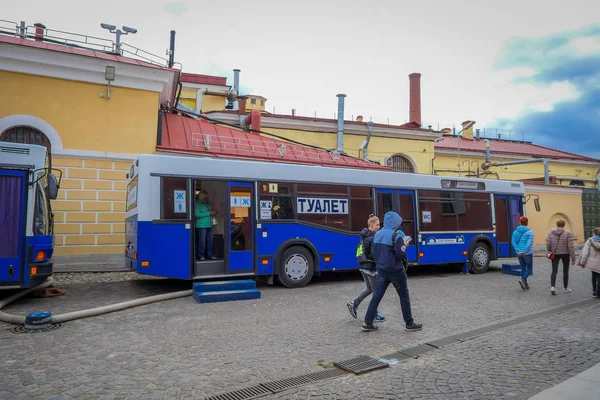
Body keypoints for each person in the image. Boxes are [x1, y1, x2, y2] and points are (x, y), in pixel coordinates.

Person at [362, 211, 422, 332]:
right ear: (395, 223)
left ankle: (368, 321)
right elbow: (401, 255)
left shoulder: (377, 235)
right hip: (396, 271)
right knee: (404, 295)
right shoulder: (396, 236)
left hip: (382, 270)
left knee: (377, 295)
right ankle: (409, 323)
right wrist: (404, 245)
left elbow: (375, 253)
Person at [347, 215, 385, 322]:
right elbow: (374, 255)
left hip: (363, 267)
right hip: (370, 268)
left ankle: (355, 304)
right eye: (377, 225)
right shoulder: (372, 238)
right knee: (376, 292)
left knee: (370, 289)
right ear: (371, 225)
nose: (379, 227)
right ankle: (370, 312)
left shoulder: (364, 235)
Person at [546, 220, 576, 295]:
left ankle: (552, 287)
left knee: (554, 271)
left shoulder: (551, 233)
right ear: (564, 225)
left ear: (557, 224)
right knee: (565, 271)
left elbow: (548, 243)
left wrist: (549, 250)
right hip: (565, 254)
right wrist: (573, 257)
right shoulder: (567, 233)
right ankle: (565, 288)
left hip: (555, 253)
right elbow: (570, 246)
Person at [511, 216, 534, 290]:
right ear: (527, 223)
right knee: (529, 269)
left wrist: (518, 250)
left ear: (520, 222)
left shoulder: (515, 232)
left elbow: (513, 242)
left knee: (523, 268)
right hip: (527, 253)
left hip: (519, 254)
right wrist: (524, 251)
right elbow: (529, 244)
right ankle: (523, 279)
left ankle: (525, 284)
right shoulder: (530, 232)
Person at [577, 227, 600, 298]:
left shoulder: (590, 240)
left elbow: (585, 253)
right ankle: (599, 293)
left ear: (594, 233)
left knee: (594, 275)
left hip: (593, 262)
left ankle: (594, 291)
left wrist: (582, 262)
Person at [195, 190, 217, 261]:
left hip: (209, 225)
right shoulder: (196, 204)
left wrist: (213, 212)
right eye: (205, 197)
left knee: (210, 240)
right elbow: (197, 214)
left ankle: (209, 255)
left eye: (207, 197)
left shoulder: (207, 203)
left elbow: (210, 211)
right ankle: (201, 255)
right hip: (201, 226)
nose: (206, 198)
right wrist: (208, 213)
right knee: (202, 241)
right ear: (201, 196)